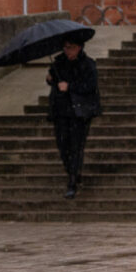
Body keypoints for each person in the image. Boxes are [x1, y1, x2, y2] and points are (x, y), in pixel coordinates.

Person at [46, 35, 100, 198]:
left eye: (70, 47)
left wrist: (70, 86)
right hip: (61, 111)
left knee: (76, 146)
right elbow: (53, 80)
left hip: (79, 112)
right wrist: (50, 79)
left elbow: (90, 86)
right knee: (63, 146)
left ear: (79, 47)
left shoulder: (88, 64)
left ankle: (72, 182)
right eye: (65, 47)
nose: (67, 50)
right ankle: (73, 172)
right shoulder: (58, 63)